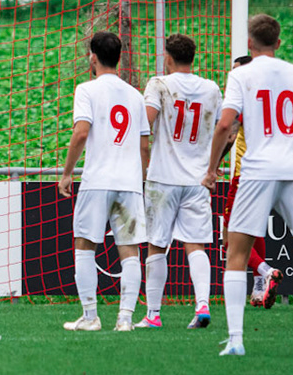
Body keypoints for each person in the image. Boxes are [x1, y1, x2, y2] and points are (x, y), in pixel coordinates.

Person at [204, 14, 293, 356]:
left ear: (250, 43)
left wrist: (211, 169)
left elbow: (224, 125)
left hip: (257, 170)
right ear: (279, 42)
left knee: (235, 253)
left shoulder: (241, 74)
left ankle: (235, 340)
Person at [58, 30, 150, 332]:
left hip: (97, 180)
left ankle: (90, 316)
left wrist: (68, 172)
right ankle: (125, 319)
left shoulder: (86, 90)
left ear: (92, 57)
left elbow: (81, 132)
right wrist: (142, 180)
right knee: (130, 250)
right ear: (119, 58)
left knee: (84, 245)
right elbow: (144, 145)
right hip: (129, 182)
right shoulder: (136, 95)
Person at [139, 34, 221, 329]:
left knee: (156, 246)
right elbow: (227, 129)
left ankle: (154, 314)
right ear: (193, 57)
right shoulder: (211, 88)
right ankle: (202, 306)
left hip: (163, 178)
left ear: (168, 58)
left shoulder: (159, 84)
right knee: (195, 245)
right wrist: (214, 166)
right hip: (198, 178)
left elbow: (145, 121)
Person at [221, 55, 282, 309]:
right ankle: (259, 288)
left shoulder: (244, 99)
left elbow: (229, 135)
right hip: (271, 173)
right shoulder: (269, 98)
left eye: (236, 71)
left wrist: (211, 166)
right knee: (254, 230)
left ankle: (266, 270)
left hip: (245, 175)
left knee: (229, 236)